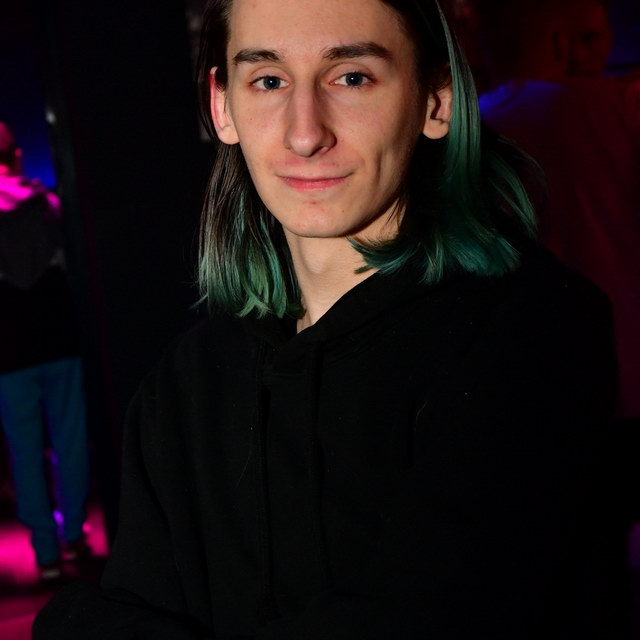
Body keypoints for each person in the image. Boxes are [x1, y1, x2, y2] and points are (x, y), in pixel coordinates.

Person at [34, 0, 625, 637]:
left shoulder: (532, 335)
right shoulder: (186, 384)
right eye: (268, 81)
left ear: (437, 100)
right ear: (222, 106)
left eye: (351, 77)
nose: (305, 133)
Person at [0, 122, 91, 581]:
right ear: (15, 155)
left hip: (8, 348)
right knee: (70, 440)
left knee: (24, 450)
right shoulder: (46, 202)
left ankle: (45, 551)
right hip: (58, 337)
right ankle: (73, 533)